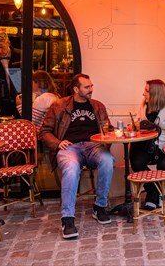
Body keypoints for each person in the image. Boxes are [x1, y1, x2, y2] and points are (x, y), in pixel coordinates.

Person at [39, 74, 114, 240]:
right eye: (87, 87)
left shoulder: (98, 106)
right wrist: (58, 143)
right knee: (71, 169)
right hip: (69, 147)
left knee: (108, 160)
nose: (91, 90)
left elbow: (107, 129)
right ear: (75, 89)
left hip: (93, 146)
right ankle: (68, 219)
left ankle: (100, 206)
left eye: (91, 86)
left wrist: (109, 136)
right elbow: (44, 132)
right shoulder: (58, 106)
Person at [130, 80, 165, 210]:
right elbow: (137, 122)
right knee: (136, 161)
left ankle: (154, 197)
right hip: (146, 143)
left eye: (147, 91)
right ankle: (154, 192)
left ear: (156, 93)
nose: (143, 94)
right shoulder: (144, 105)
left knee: (164, 165)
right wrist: (133, 126)